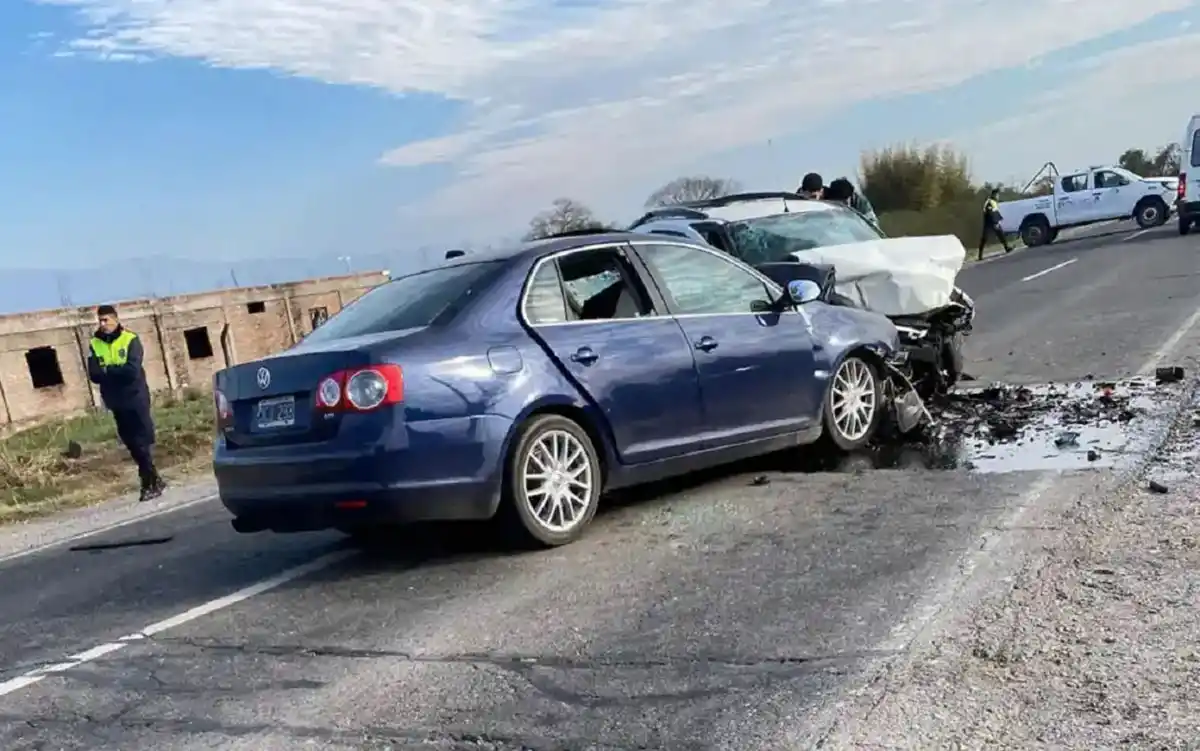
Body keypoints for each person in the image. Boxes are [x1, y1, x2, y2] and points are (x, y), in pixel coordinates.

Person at [88, 305, 166, 501]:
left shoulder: (131, 339)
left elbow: (132, 370)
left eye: (106, 320)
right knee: (130, 442)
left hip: (135, 396)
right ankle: (154, 479)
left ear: (115, 319)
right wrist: (115, 371)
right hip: (115, 399)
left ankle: (148, 482)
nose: (102, 324)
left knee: (142, 439)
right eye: (100, 320)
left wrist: (109, 371)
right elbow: (94, 375)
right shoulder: (94, 343)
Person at [979, 188, 1012, 259]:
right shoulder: (989, 202)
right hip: (989, 223)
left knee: (1001, 235)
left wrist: (999, 219)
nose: (998, 196)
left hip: (994, 222)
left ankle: (1007, 248)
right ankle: (980, 255)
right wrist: (995, 223)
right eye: (997, 195)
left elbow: (995, 212)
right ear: (994, 195)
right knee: (985, 238)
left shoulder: (994, 202)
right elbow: (990, 213)